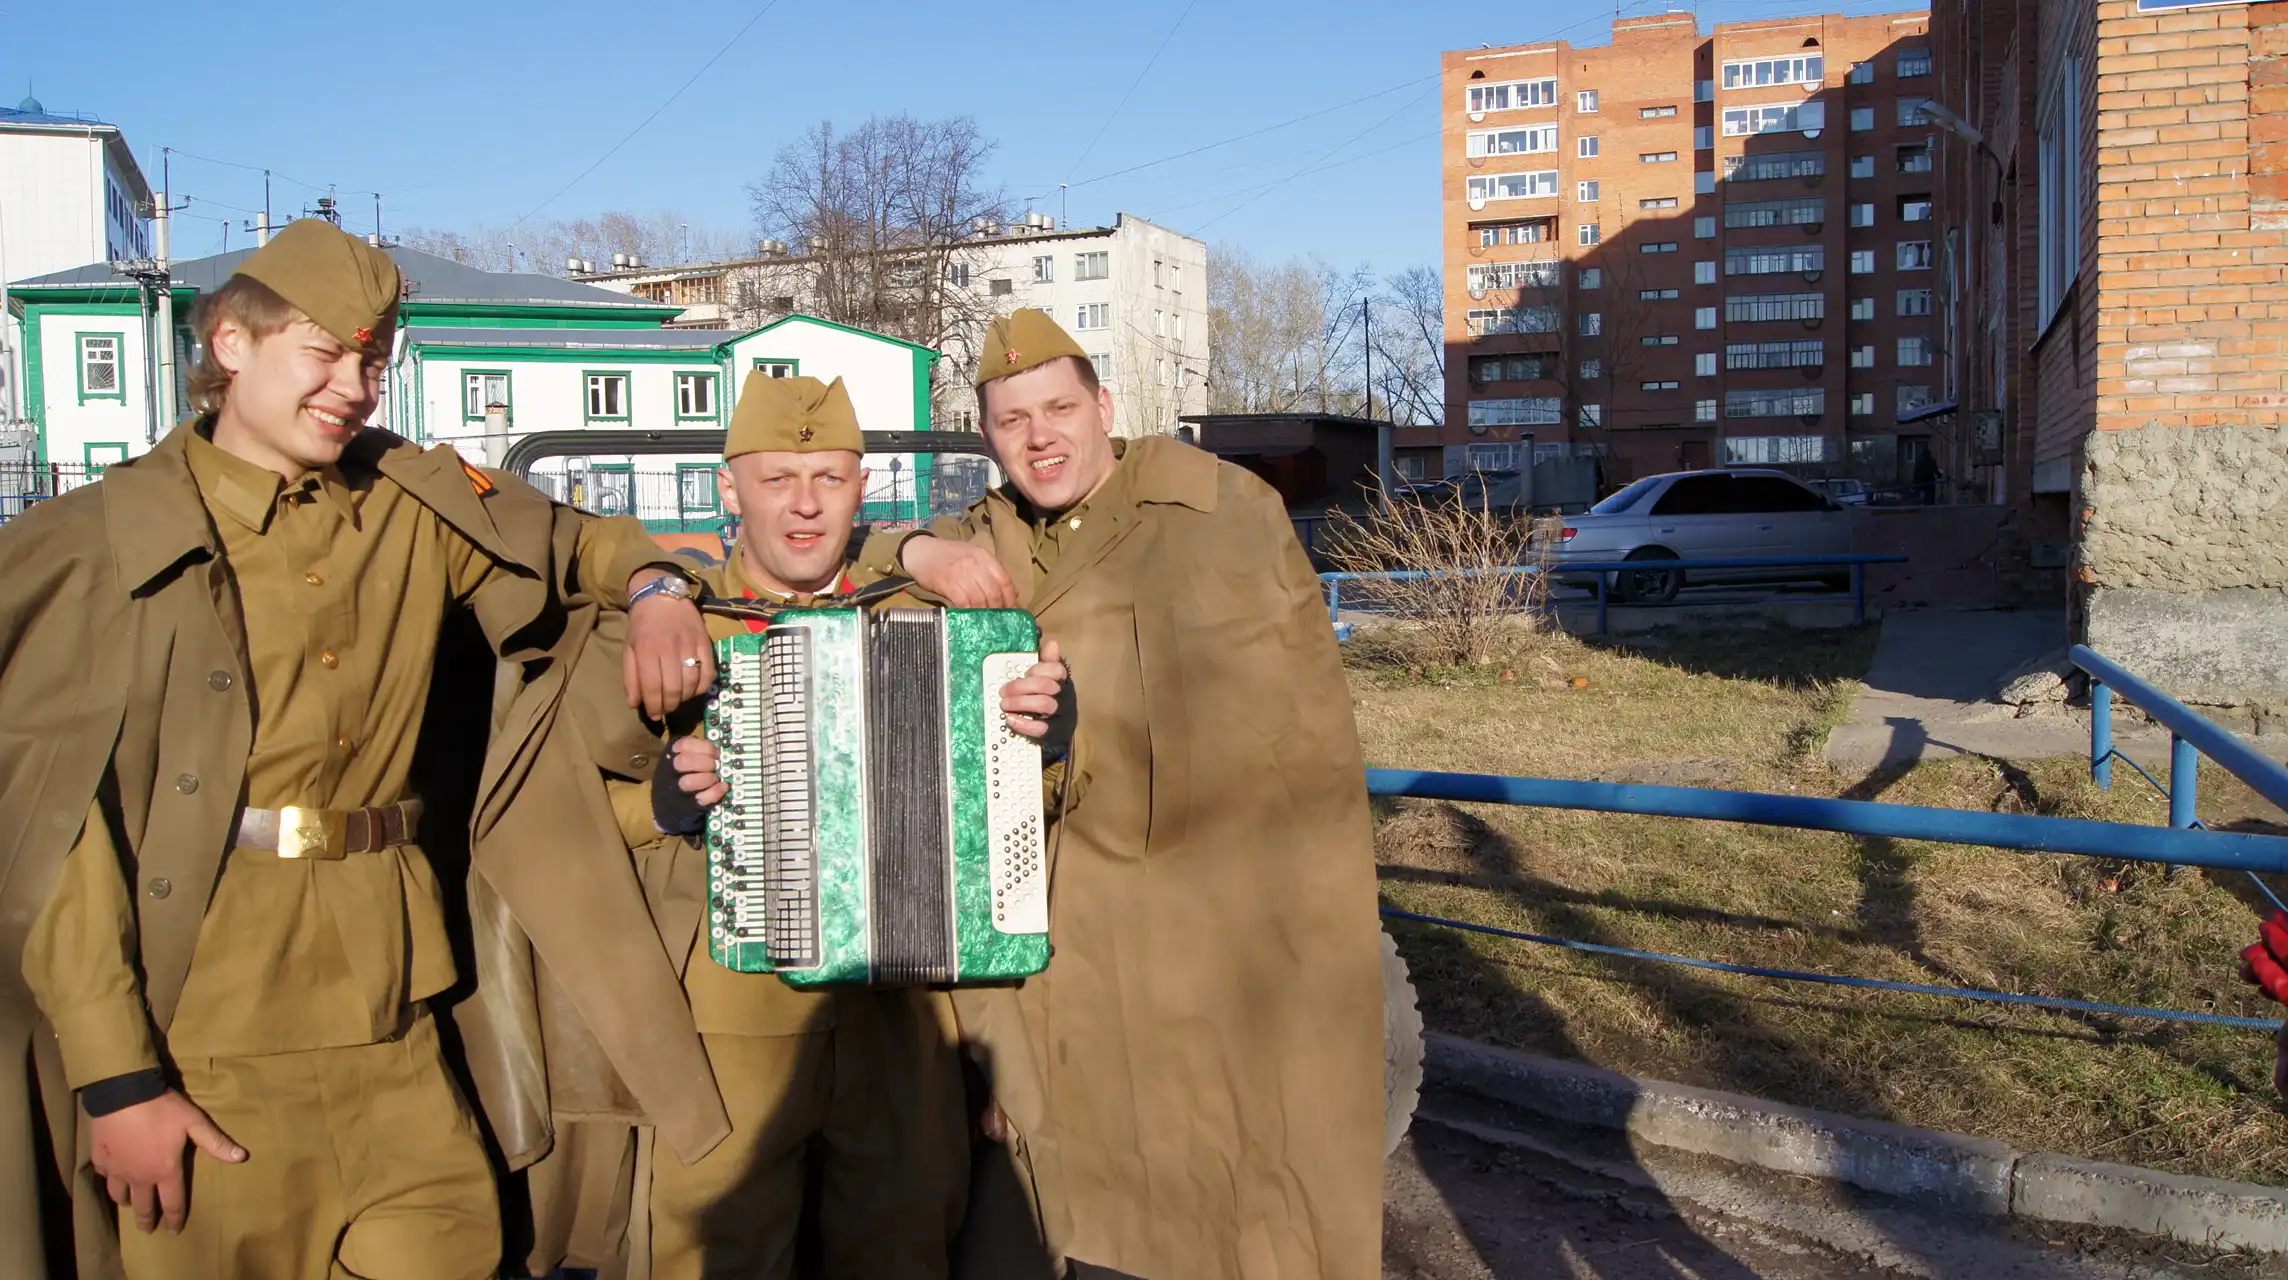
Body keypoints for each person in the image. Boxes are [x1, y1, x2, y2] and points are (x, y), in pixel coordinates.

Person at [0, 219, 727, 1280]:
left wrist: (660, 588)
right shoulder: (102, 538)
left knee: (460, 1244)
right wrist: (120, 1080)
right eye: (324, 353)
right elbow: (60, 834)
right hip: (203, 1034)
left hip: (400, 1017)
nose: (354, 387)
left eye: (373, 361)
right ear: (232, 344)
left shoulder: (410, 501)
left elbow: (578, 544)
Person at [859, 308, 1386, 1280]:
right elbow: (829, 560)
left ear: (1104, 406)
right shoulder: (986, 537)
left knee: (1229, 1203)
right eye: (1012, 419)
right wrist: (916, 554)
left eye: (1059, 408)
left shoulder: (1216, 515)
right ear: (987, 437)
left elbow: (1282, 756)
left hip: (1203, 936)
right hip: (1057, 949)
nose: (1039, 437)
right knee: (1056, 1212)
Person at [557, 371, 1054, 1279]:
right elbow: (566, 814)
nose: (804, 505)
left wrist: (1041, 733)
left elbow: (1002, 799)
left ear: (861, 489)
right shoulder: (673, 623)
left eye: (829, 478)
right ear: (728, 489)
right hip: (726, 1019)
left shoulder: (920, 615)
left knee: (902, 1250)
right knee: (718, 1253)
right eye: (777, 479)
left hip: (901, 1014)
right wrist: (659, 807)